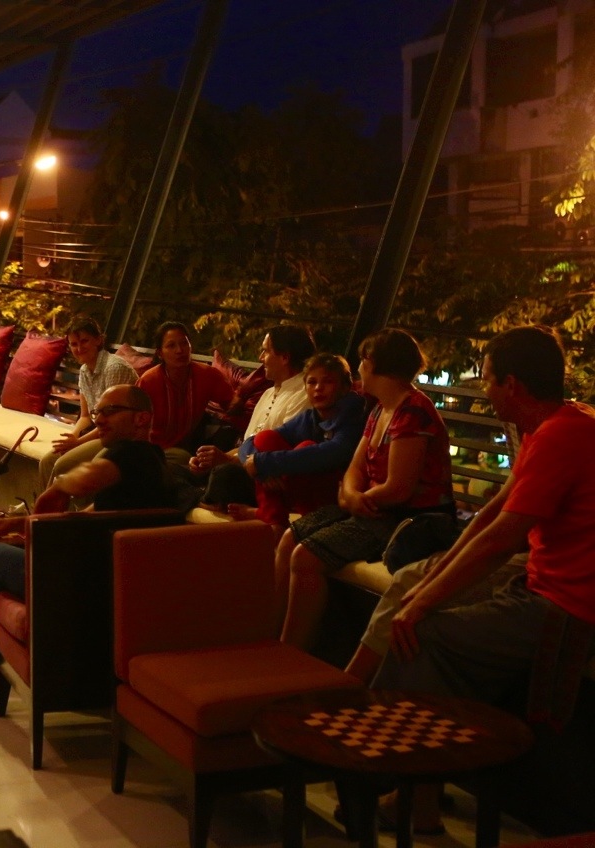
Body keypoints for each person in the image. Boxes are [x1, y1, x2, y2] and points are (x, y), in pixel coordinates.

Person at [348, 326, 595, 832]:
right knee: (417, 594)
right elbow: (491, 515)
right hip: (542, 576)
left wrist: (422, 605)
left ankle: (379, 770)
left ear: (512, 385)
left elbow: (502, 539)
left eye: (485, 379)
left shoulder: (562, 436)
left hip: (568, 603)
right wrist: (432, 579)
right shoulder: (551, 426)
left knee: (424, 634)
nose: (482, 389)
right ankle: (396, 772)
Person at [0, 384, 175, 697]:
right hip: (109, 584)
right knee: (9, 550)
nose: (99, 419)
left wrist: (55, 490)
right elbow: (87, 515)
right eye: (97, 412)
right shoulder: (153, 461)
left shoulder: (130, 453)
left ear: (141, 418)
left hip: (80, 584)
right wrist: (22, 523)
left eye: (111, 411)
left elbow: (82, 480)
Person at [277, 328, 453, 650]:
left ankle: (293, 650)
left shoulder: (413, 411)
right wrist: (350, 495)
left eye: (361, 361)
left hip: (403, 518)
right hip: (370, 508)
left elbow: (399, 489)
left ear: (372, 363)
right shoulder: (379, 409)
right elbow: (355, 468)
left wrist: (356, 500)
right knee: (290, 538)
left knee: (306, 557)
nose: (359, 368)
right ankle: (276, 633)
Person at [228, 353, 366, 528]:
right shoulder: (310, 417)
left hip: (342, 493)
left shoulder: (354, 414)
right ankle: (274, 519)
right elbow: (251, 443)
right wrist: (258, 466)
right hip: (304, 491)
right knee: (265, 438)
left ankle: (290, 520)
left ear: (345, 387)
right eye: (312, 382)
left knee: (305, 447)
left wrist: (264, 462)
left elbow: (335, 452)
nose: (318, 388)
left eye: (328, 382)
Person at [192, 325, 316, 507]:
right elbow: (246, 445)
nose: (260, 358)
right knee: (181, 470)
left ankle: (198, 498)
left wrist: (227, 460)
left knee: (224, 475)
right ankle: (198, 497)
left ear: (284, 357)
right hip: (245, 467)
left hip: (270, 477)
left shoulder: (304, 394)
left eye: (265, 351)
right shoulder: (268, 393)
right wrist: (212, 459)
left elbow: (279, 454)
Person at [38, 315, 138, 491]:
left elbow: (112, 423)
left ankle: (58, 507)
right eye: (74, 344)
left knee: (62, 465)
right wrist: (73, 437)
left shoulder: (114, 368)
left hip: (120, 436)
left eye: (84, 341)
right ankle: (43, 505)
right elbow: (85, 417)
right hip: (101, 430)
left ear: (98, 340)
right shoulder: (85, 370)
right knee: (47, 461)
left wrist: (77, 443)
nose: (79, 348)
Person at [135, 321, 235, 467]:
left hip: (180, 451)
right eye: (171, 346)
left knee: (181, 458)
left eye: (184, 343)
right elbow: (132, 420)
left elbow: (232, 404)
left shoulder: (207, 375)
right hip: (145, 446)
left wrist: (242, 396)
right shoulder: (148, 381)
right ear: (160, 353)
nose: (179, 350)